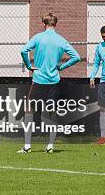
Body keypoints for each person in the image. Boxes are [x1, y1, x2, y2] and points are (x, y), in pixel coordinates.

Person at [19, 12, 80, 154]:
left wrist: (28, 65)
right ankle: (50, 145)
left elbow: (23, 50)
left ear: (43, 24)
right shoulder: (61, 40)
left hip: (39, 80)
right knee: (52, 113)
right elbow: (76, 57)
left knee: (29, 111)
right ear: (55, 24)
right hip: (53, 81)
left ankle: (27, 146)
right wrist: (62, 67)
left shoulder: (38, 37)